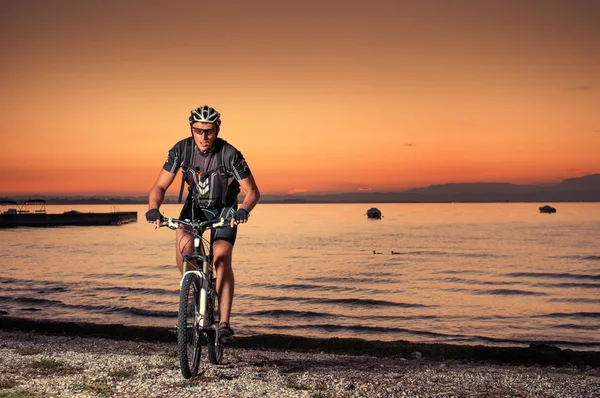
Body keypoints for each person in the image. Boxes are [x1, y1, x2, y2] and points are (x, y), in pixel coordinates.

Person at [145, 105, 260, 343]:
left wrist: (243, 211)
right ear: (191, 129)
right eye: (198, 131)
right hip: (195, 207)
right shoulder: (181, 150)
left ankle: (224, 324)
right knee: (184, 249)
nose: (203, 137)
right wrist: (153, 209)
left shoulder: (230, 154)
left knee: (221, 256)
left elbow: (252, 191)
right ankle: (194, 288)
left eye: (208, 131)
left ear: (217, 129)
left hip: (225, 209)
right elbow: (159, 187)